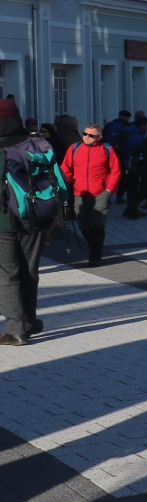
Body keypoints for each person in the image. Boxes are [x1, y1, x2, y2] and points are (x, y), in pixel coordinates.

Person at [0, 99, 53, 344]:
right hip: (35, 216)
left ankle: (16, 330)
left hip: (3, 222)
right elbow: (56, 178)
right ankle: (30, 321)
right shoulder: (34, 143)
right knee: (29, 272)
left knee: (7, 274)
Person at [61, 122, 121, 267]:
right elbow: (66, 169)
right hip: (79, 192)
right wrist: (64, 190)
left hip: (100, 192)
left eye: (91, 135)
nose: (86, 137)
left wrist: (108, 191)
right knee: (83, 224)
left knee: (97, 224)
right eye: (84, 134)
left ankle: (95, 253)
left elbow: (115, 171)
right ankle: (93, 246)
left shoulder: (107, 149)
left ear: (99, 137)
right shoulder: (74, 148)